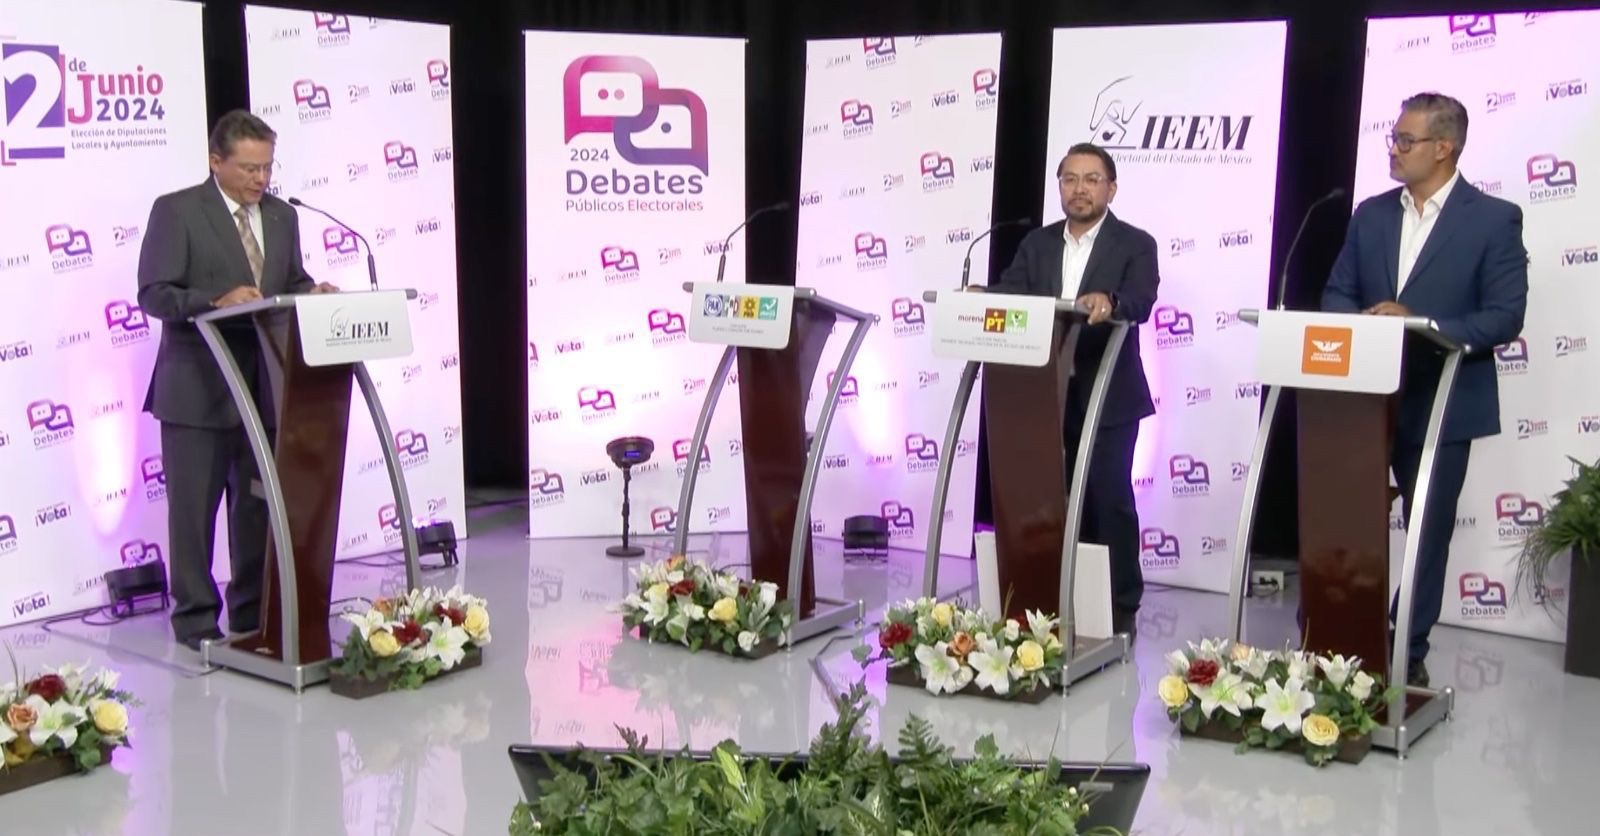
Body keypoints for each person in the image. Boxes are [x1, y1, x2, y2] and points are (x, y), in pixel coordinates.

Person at [1322, 92, 1528, 686]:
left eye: (1405, 140)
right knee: (1345, 520)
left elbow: (1504, 316)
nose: (1393, 148)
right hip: (1364, 401)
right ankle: (1339, 635)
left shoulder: (1493, 219)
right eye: (1393, 137)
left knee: (1426, 529)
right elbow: (1337, 293)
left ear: (1444, 148)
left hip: (1442, 401)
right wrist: (1362, 322)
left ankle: (1405, 647)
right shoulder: (1370, 215)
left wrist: (1421, 324)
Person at [137, 109, 338, 651]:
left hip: (266, 388)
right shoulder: (178, 210)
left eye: (267, 167)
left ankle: (251, 615)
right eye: (249, 168)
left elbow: (288, 280)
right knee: (194, 514)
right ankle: (196, 621)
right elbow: (154, 293)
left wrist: (313, 292)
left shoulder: (282, 216)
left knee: (255, 509)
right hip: (197, 391)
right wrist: (214, 301)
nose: (261, 179)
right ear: (215, 162)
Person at [981, 142, 1160, 639]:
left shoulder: (1135, 243)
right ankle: (1046, 600)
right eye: (1070, 179)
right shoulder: (1037, 244)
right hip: (1041, 395)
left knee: (1107, 498)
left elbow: (1141, 299)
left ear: (1111, 189)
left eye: (1091, 179)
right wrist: (982, 298)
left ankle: (1120, 606)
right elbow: (1013, 293)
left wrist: (1111, 300)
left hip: (1107, 395)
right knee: (1043, 500)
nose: (1080, 189)